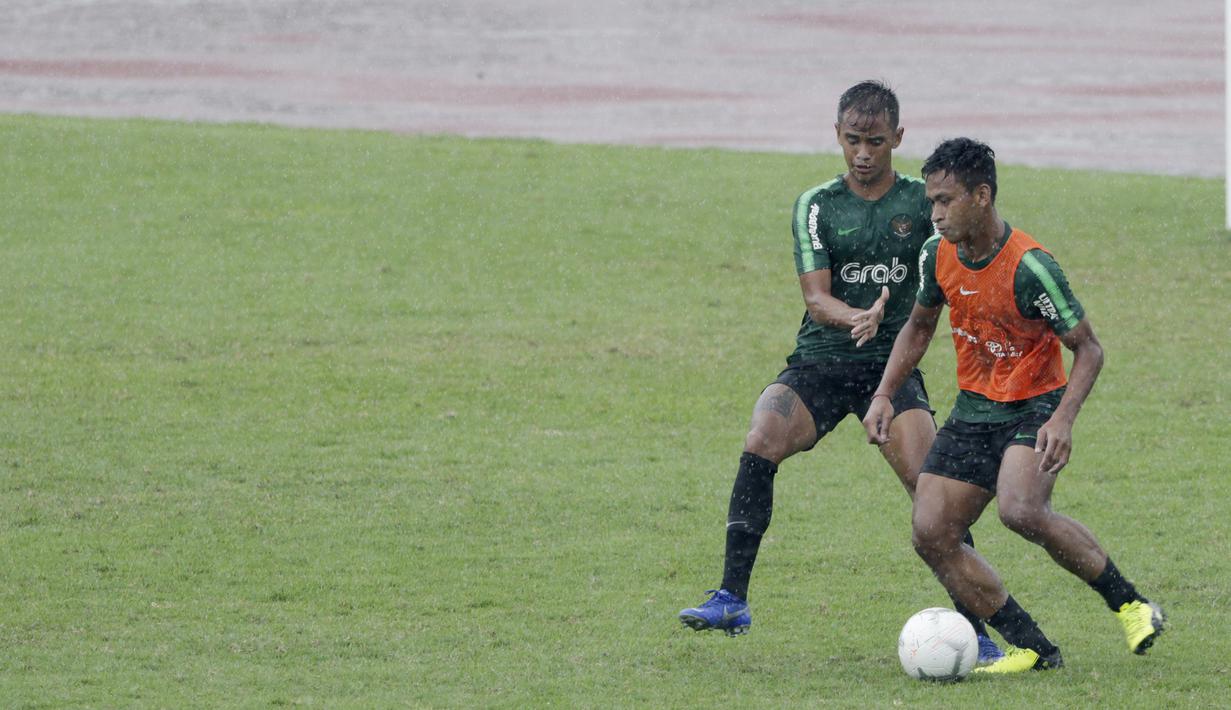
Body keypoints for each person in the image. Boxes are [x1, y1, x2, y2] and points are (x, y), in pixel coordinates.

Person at [677, 81, 1001, 664]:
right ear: (837, 136)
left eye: (876, 141)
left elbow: (961, 259)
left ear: (897, 138)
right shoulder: (817, 205)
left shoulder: (922, 204)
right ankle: (731, 597)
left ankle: (977, 629)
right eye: (853, 140)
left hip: (892, 365)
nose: (863, 153)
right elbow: (815, 297)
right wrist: (860, 316)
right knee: (762, 436)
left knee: (931, 493)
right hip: (822, 359)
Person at [862, 137, 1166, 673]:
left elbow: (1089, 350)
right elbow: (919, 325)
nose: (934, 214)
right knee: (930, 532)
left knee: (1020, 509)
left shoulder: (1030, 266)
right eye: (931, 201)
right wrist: (884, 393)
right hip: (976, 409)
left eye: (946, 201)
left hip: (1035, 406)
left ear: (982, 196)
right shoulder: (936, 254)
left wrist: (1063, 419)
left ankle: (1132, 604)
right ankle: (1031, 648)